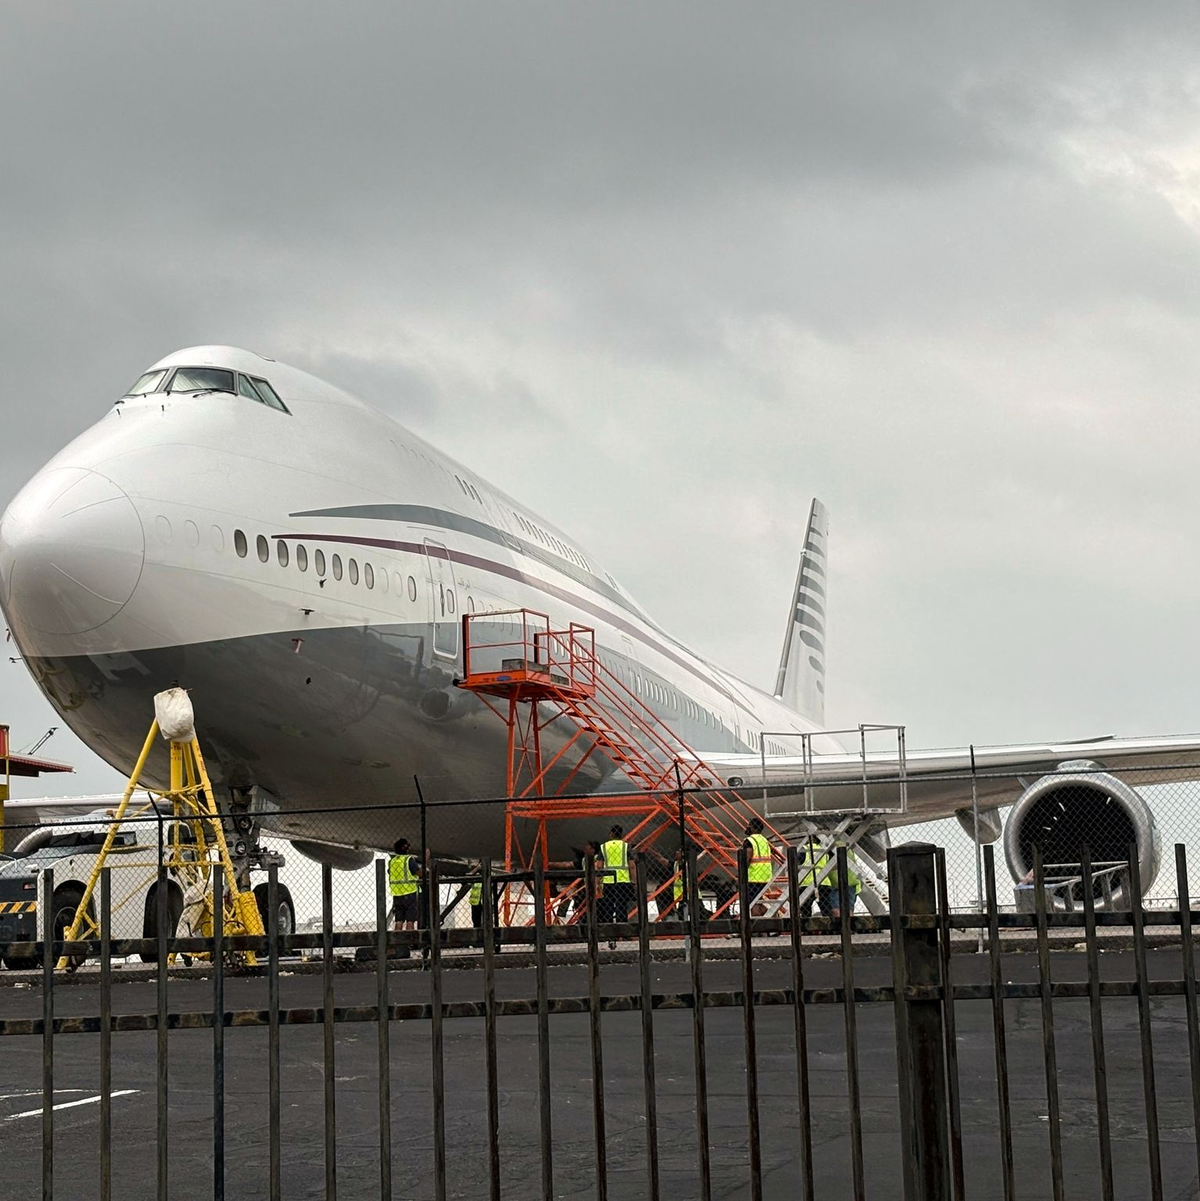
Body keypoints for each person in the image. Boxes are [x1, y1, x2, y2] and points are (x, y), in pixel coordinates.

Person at [599, 824, 634, 950]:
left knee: (608, 907)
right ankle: (623, 932)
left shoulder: (604, 847)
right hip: (623, 881)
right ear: (621, 834)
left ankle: (609, 934)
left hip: (608, 881)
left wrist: (598, 883)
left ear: (611, 834)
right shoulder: (625, 847)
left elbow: (599, 866)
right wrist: (634, 881)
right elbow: (632, 865)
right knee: (621, 907)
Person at [389, 837, 421, 956]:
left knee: (399, 920)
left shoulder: (392, 862)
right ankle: (409, 943)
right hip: (409, 893)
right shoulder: (408, 860)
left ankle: (396, 944)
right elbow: (419, 873)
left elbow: (390, 873)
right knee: (410, 920)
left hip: (397, 895)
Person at [743, 818, 773, 917]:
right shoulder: (764, 840)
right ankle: (770, 920)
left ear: (753, 827)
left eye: (749, 825)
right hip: (765, 876)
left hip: (753, 877)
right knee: (759, 901)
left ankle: (756, 927)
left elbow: (747, 857)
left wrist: (742, 873)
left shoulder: (749, 841)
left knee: (752, 903)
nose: (747, 827)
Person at [826, 842, 861, 919]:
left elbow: (837, 866)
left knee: (837, 909)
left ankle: (845, 926)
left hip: (842, 883)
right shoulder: (846, 848)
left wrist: (825, 869)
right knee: (847, 909)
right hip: (847, 882)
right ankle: (850, 926)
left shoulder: (834, 847)